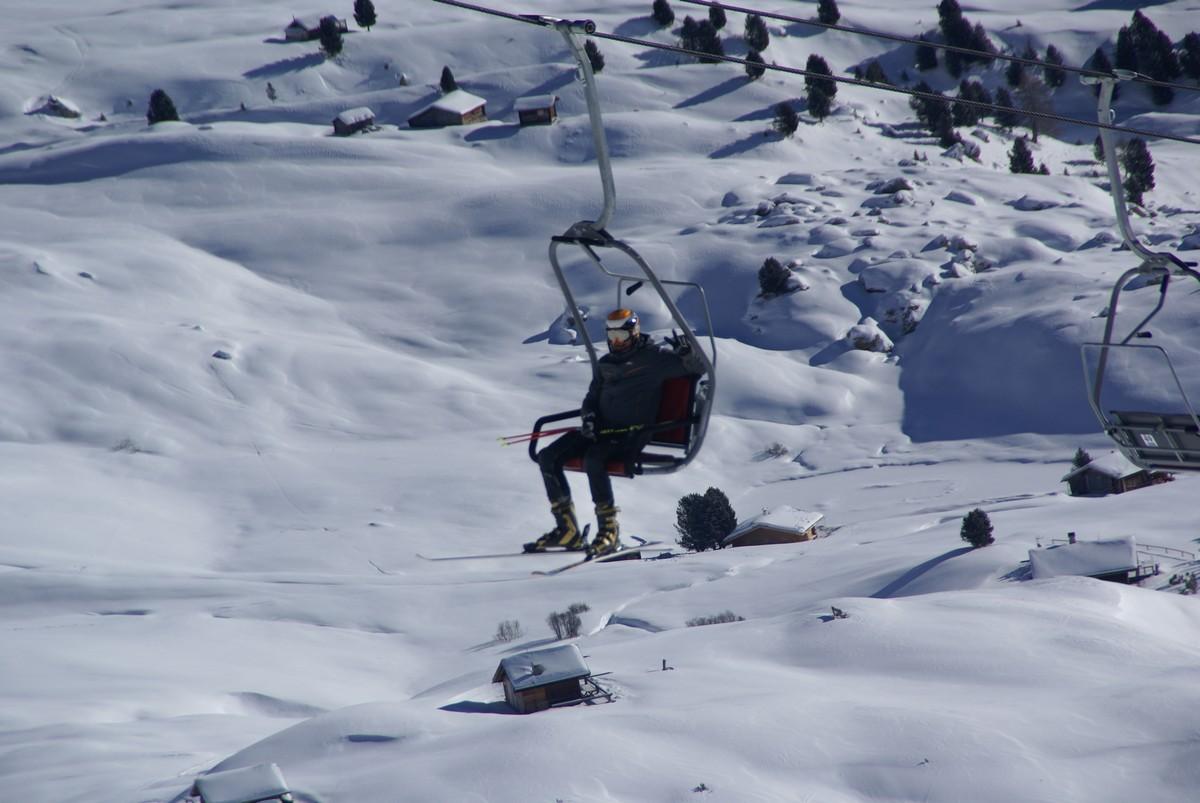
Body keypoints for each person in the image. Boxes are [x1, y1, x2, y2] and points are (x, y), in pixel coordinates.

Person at [525, 308, 705, 557]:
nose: (617, 342)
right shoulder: (606, 364)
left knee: (594, 459)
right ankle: (566, 530)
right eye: (612, 336)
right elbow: (591, 398)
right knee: (548, 456)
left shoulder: (654, 359)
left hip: (632, 434)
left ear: (634, 332)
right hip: (600, 430)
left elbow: (697, 369)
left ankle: (609, 531)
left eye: (622, 335)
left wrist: (687, 354)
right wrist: (588, 417)